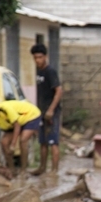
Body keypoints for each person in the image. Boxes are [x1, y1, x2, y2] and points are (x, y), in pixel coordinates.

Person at [0, 95, 42, 173]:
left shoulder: (5, 109)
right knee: (4, 142)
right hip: (12, 124)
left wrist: (12, 145)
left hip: (30, 116)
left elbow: (17, 126)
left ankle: (23, 170)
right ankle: (11, 169)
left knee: (23, 140)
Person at [30, 44, 63, 175]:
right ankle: (42, 168)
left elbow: (59, 91)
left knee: (53, 142)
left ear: (45, 57)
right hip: (41, 112)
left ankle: (54, 171)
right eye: (35, 58)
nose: (38, 60)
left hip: (52, 112)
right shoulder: (38, 72)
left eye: (40, 57)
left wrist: (51, 110)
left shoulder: (50, 71)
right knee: (43, 142)